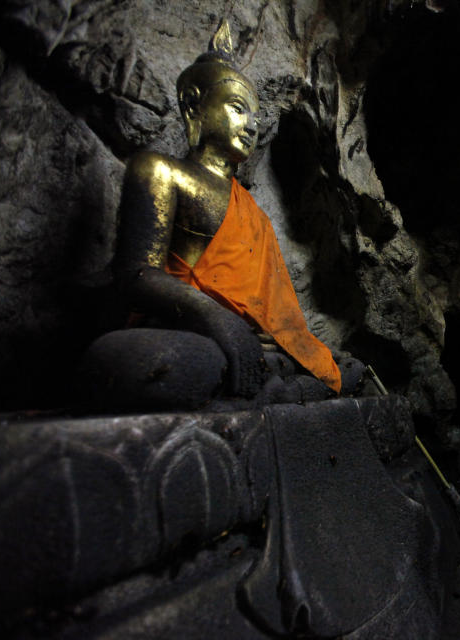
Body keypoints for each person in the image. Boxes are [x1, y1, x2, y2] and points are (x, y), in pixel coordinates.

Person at [106, 20, 351, 406]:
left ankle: (270, 390)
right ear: (193, 104)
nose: (251, 126)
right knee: (161, 364)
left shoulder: (253, 212)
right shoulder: (160, 171)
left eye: (255, 116)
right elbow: (135, 275)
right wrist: (215, 317)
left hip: (250, 344)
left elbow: (273, 312)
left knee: (339, 364)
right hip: (183, 331)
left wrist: (283, 339)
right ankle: (276, 395)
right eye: (237, 109)